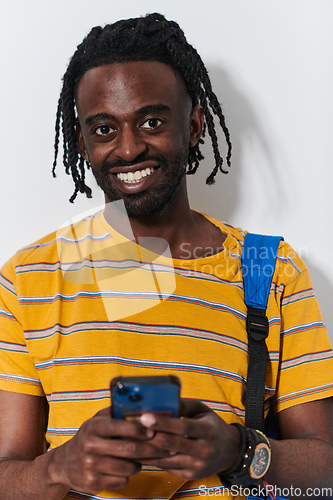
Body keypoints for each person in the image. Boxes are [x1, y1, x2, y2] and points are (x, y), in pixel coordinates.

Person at [0, 12, 332, 500]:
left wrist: (235, 450)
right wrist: (59, 468)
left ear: (194, 125)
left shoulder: (271, 269)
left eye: (151, 121)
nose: (129, 148)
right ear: (82, 144)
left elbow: (324, 466)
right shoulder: (27, 278)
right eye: (104, 129)